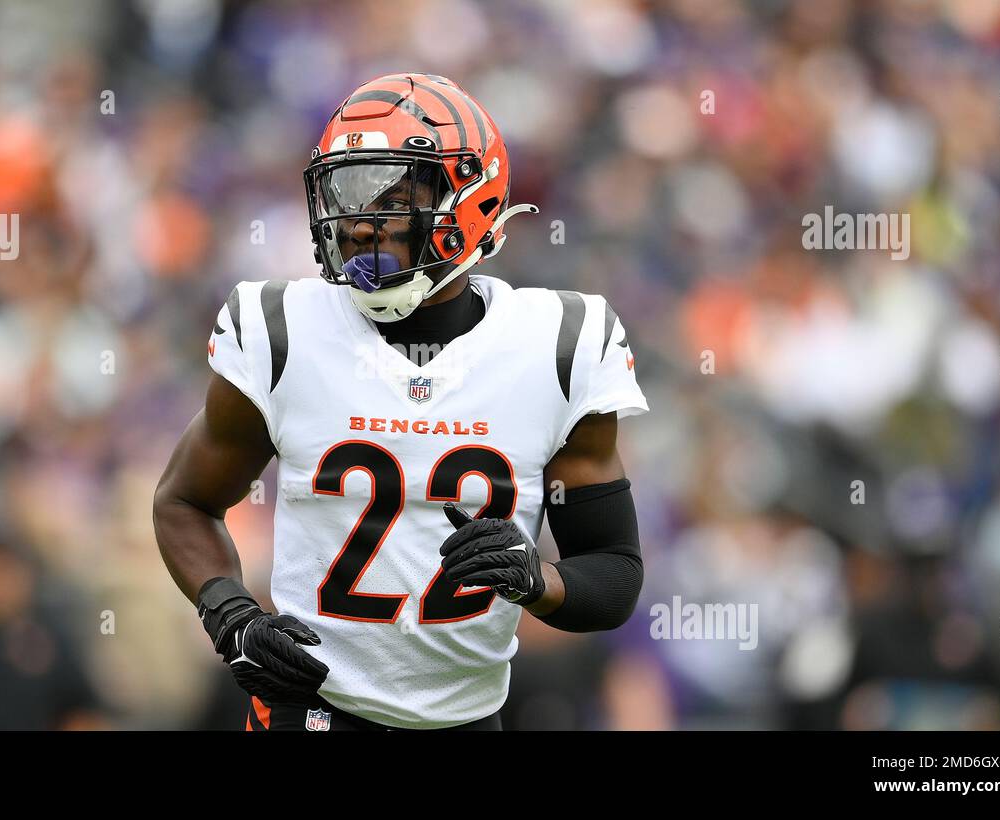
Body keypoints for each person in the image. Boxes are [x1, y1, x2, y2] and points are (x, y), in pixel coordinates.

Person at [153, 73, 649, 731]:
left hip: (466, 719)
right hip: (309, 714)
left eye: (395, 195)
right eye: (347, 190)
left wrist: (538, 580)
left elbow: (613, 574)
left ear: (471, 198)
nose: (360, 222)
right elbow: (183, 501)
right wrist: (232, 616)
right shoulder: (280, 330)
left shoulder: (559, 345)